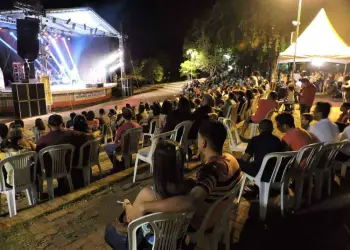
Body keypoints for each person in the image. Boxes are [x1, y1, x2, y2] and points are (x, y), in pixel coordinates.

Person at [124, 120, 242, 233]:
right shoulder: (231, 159)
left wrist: (143, 206)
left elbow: (190, 202)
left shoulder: (209, 172)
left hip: (204, 222)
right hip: (220, 215)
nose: (197, 140)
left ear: (203, 143)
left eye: (198, 137)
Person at [104, 140, 191, 250]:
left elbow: (131, 219)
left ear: (157, 166)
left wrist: (126, 204)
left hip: (148, 246)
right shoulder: (190, 188)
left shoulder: (149, 193)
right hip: (175, 242)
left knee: (109, 230)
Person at [36, 115, 90, 191]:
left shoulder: (43, 139)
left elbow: (37, 152)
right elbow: (87, 137)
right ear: (62, 123)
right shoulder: (72, 134)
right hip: (69, 165)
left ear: (48, 126)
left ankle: (39, 195)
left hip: (52, 169)